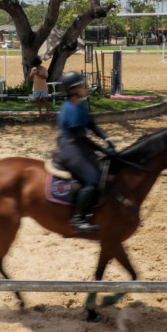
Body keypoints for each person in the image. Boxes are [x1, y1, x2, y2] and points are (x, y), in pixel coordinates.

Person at [56, 70, 115, 233]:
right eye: (82, 85)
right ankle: (79, 219)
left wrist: (107, 140)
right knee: (93, 180)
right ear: (72, 90)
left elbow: (91, 125)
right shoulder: (71, 109)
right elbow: (81, 138)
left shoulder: (80, 105)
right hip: (71, 146)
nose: (85, 87)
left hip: (79, 144)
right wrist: (103, 149)